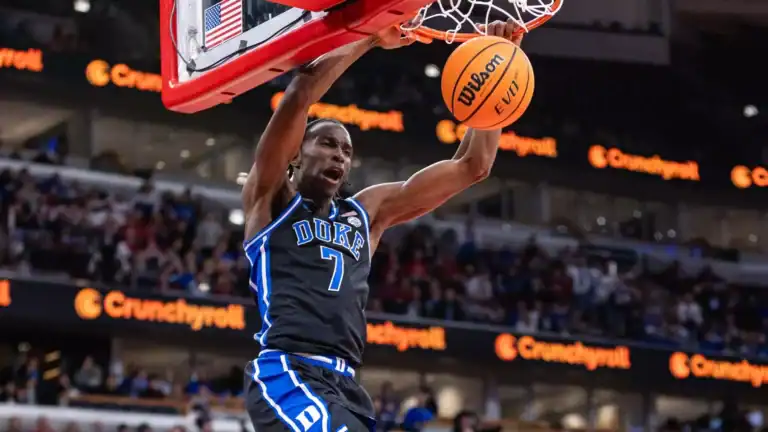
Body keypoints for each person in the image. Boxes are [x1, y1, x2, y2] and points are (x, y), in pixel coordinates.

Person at [242, 20, 524, 432]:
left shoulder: (366, 212)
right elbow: (301, 94)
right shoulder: (271, 199)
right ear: (296, 155)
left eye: (346, 150)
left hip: (345, 384)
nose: (339, 155)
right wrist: (370, 36)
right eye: (327, 143)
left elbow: (473, 166)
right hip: (288, 370)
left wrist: (498, 68)